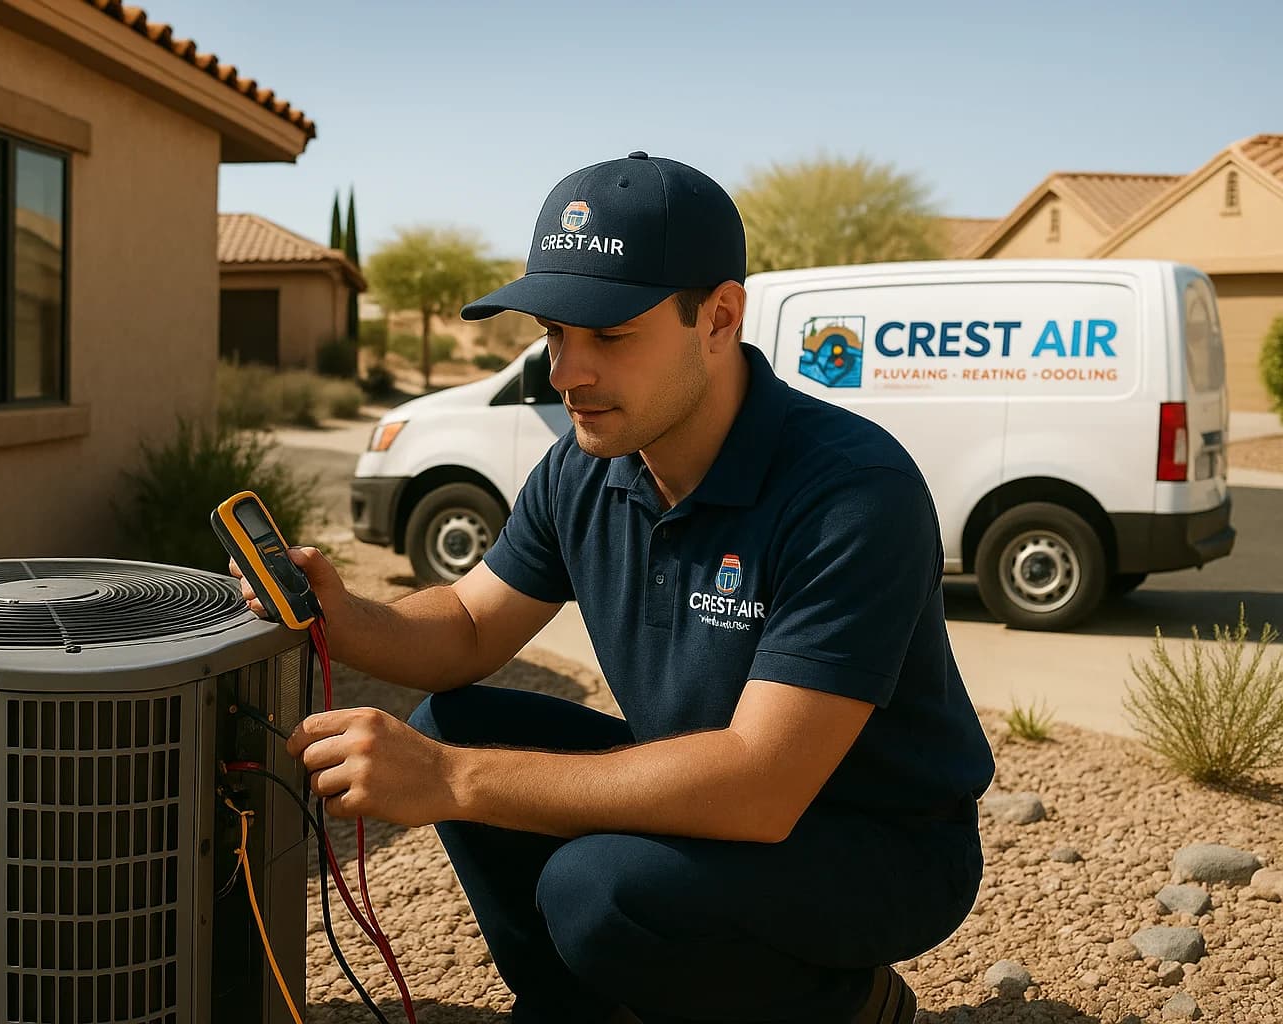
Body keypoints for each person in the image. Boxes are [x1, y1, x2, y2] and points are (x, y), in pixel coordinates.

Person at [232, 152, 996, 1024]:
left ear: (718, 317)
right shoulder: (590, 465)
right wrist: (344, 613)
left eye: (610, 335)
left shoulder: (852, 491)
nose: (565, 373)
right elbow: (469, 623)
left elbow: (759, 783)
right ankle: (575, 1006)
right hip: (714, 791)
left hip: (874, 842)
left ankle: (848, 1005)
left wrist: (451, 781)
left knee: (599, 886)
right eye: (556, 333)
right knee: (457, 716)